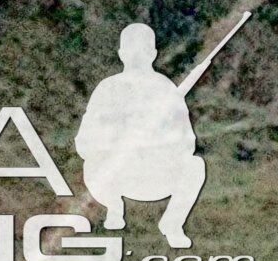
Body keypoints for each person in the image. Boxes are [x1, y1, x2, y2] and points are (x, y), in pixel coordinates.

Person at [74, 24, 208, 246]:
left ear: (153, 54)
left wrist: (157, 139)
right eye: (131, 50)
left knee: (195, 166)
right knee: (92, 165)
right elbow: (85, 141)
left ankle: (172, 223)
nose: (137, 56)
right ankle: (114, 208)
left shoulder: (165, 89)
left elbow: (187, 142)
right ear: (121, 54)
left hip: (155, 174)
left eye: (143, 51)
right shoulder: (108, 88)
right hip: (116, 175)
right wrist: (118, 138)